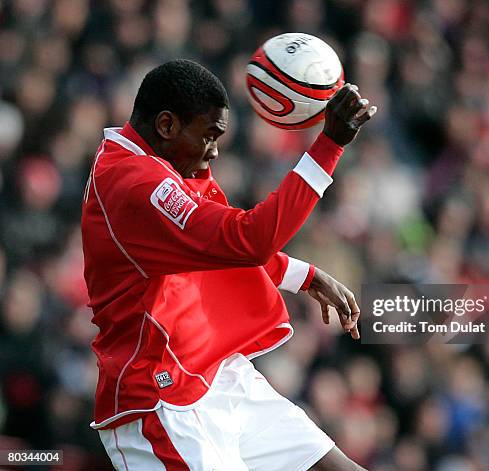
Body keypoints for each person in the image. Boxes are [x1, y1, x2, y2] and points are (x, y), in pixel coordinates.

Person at [81, 59, 376, 471]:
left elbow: (220, 247)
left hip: (218, 373)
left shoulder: (165, 161)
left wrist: (301, 275)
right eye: (209, 136)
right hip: (161, 401)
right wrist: (329, 145)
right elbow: (250, 240)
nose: (215, 150)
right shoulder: (138, 186)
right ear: (166, 126)